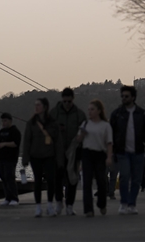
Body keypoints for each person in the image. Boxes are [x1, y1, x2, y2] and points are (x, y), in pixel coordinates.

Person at [109, 85, 145, 215]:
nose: (124, 98)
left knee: (136, 179)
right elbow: (111, 132)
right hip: (122, 151)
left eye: (126, 96)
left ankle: (132, 203)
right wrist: (111, 149)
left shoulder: (141, 114)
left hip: (138, 150)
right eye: (122, 96)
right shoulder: (117, 114)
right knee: (124, 176)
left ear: (133, 97)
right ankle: (124, 203)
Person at [22, 97, 63, 217]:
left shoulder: (53, 123)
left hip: (49, 155)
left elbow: (58, 142)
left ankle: (50, 205)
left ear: (45, 107)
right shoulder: (31, 123)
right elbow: (27, 141)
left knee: (51, 180)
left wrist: (60, 160)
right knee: (38, 181)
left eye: (38, 105)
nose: (36, 107)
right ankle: (38, 206)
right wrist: (25, 158)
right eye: (35, 105)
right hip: (36, 156)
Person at [49, 87, 86, 216]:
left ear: (73, 100)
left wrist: (80, 137)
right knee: (57, 179)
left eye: (69, 101)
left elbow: (84, 130)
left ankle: (70, 205)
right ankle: (59, 202)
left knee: (72, 179)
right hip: (57, 151)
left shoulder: (79, 114)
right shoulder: (54, 113)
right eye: (64, 101)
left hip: (74, 151)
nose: (67, 104)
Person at [74, 99, 113, 217]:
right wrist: (82, 135)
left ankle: (102, 204)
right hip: (87, 154)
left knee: (101, 180)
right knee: (86, 182)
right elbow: (78, 140)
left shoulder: (105, 125)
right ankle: (88, 209)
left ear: (99, 111)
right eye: (89, 110)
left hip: (100, 154)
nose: (90, 112)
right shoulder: (85, 124)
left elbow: (109, 142)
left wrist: (109, 157)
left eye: (92, 109)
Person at [0, 112, 21, 206]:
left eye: (5, 121)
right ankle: (7, 198)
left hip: (11, 158)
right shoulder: (1, 131)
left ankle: (14, 198)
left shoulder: (15, 131)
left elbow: (15, 143)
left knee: (10, 177)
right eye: (2, 121)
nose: (3, 123)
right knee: (3, 177)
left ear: (10, 121)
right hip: (1, 158)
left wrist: (5, 144)